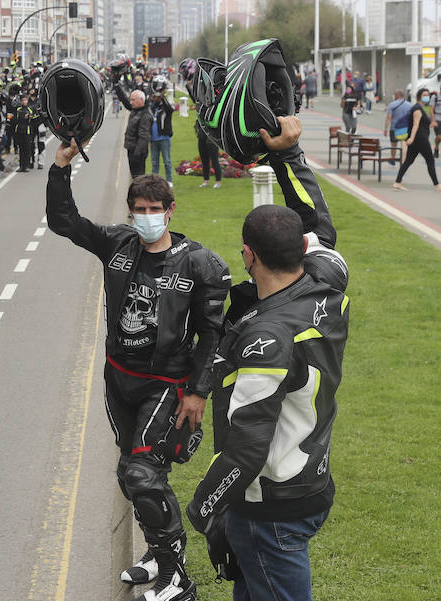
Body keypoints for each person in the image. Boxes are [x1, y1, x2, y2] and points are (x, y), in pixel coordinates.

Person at [48, 150, 229, 601]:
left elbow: (212, 335)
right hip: (118, 378)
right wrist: (60, 165)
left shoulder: (197, 263)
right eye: (140, 210)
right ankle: (156, 550)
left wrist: (198, 392)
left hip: (166, 383)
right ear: (131, 211)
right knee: (130, 471)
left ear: (170, 211)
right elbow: (63, 221)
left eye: (155, 210)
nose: (147, 218)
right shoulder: (118, 244)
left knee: (142, 474)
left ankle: (177, 577)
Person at [185, 116, 347, 601]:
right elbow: (319, 223)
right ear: (301, 249)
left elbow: (247, 449)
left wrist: (203, 508)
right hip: (310, 481)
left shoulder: (265, 340)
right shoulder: (327, 278)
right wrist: (288, 153)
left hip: (272, 507)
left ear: (248, 256)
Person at [392, 89, 440, 191]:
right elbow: (416, 124)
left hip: (418, 138)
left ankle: (397, 182)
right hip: (420, 139)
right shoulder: (417, 109)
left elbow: (421, 124)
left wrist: (431, 124)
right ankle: (436, 185)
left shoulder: (419, 108)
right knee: (430, 160)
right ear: (419, 96)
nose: (426, 97)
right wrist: (411, 138)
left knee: (408, 161)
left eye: (427, 95)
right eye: (424, 95)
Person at [118, 88, 154, 179]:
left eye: (133, 100)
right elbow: (125, 101)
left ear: (141, 100)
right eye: (130, 99)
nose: (130, 102)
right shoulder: (136, 109)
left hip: (137, 152)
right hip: (131, 149)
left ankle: (139, 193)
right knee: (134, 176)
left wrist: (136, 154)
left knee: (139, 178)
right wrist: (117, 86)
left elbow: (144, 137)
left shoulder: (145, 115)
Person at [149, 91, 175, 186]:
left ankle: (169, 180)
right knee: (154, 161)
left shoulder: (164, 108)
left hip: (164, 138)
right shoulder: (152, 108)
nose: (154, 97)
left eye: (155, 96)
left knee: (167, 161)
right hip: (153, 140)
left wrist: (162, 97)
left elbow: (170, 109)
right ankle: (154, 181)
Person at [13, 93, 41, 172]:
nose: (24, 102)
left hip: (28, 131)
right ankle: (21, 165)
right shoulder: (18, 109)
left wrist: (30, 116)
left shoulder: (31, 109)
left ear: (27, 100)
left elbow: (36, 117)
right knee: (21, 149)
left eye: (25, 100)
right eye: (22, 100)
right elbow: (15, 118)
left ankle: (27, 164)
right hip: (19, 131)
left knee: (27, 148)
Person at [385, 88, 410, 163]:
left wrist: (385, 129)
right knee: (404, 144)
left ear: (396, 95)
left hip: (394, 128)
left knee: (393, 145)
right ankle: (404, 160)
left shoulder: (392, 104)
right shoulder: (409, 105)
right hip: (405, 128)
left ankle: (393, 159)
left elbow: (388, 118)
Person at [195, 122, 222, 189]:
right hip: (201, 138)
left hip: (212, 140)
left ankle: (218, 182)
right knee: (204, 160)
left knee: (214, 160)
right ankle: (206, 181)